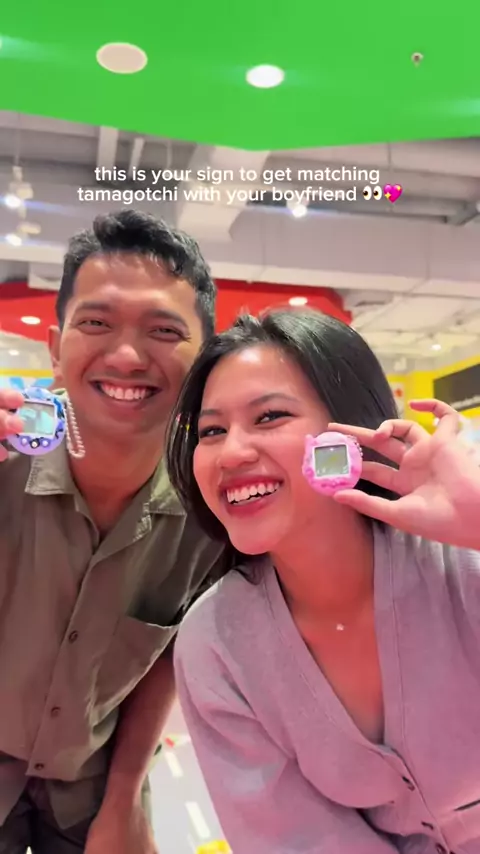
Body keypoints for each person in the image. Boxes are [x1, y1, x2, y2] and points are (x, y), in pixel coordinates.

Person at [167, 307, 480, 854]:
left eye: (269, 417)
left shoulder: (459, 563)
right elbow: (293, 839)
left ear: (350, 433)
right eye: (212, 430)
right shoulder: (215, 643)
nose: (232, 451)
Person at [0, 209, 224, 854]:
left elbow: (165, 659)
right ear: (54, 347)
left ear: (204, 361)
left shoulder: (214, 511)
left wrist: (124, 798)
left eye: (163, 330)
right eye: (96, 323)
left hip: (95, 781)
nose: (126, 357)